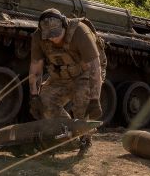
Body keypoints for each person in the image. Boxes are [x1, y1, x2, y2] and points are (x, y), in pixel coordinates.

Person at [28, 8, 106, 153]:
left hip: (86, 74)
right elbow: (36, 69)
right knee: (45, 102)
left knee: (82, 104)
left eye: (56, 34)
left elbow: (95, 68)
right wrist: (34, 96)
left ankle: (85, 139)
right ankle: (69, 137)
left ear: (64, 24)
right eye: (49, 36)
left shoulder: (80, 32)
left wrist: (95, 99)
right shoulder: (39, 37)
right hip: (61, 76)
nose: (53, 38)